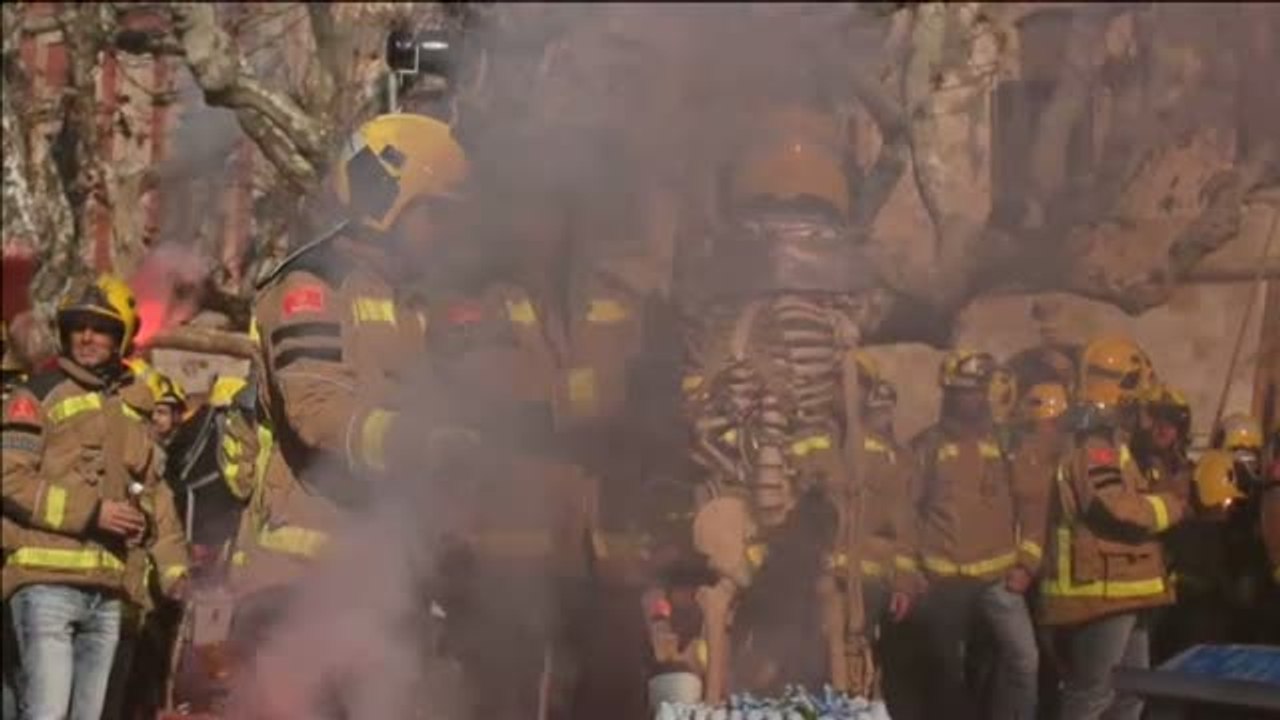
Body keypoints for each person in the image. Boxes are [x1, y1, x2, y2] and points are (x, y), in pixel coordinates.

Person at [226, 113, 467, 717]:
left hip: (379, 587)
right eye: (436, 214)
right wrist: (423, 442)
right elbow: (316, 411)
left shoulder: (405, 301)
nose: (446, 234)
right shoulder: (313, 285)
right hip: (299, 583)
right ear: (392, 203)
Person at [1, 274, 188, 720]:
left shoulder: (131, 409)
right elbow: (8, 478)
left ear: (119, 337)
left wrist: (174, 570)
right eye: (78, 326)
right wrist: (93, 514)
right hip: (44, 583)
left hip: (109, 593)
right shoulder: (35, 396)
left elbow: (156, 495)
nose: (87, 337)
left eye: (100, 327)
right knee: (45, 712)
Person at [1039, 336, 1186, 720]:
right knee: (1092, 695)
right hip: (1100, 592)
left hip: (1125, 591)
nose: (1146, 414)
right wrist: (1173, 506)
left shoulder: (1114, 446)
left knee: (1131, 693)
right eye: (1141, 402)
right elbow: (1115, 507)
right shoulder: (1094, 447)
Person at [909, 349, 1042, 720]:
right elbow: (906, 512)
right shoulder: (926, 446)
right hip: (943, 580)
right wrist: (913, 570)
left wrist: (1027, 564)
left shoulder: (1008, 443)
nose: (974, 398)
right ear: (948, 394)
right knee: (948, 674)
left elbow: (1033, 506)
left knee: (1024, 661)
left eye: (978, 389)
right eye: (965, 390)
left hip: (1000, 582)